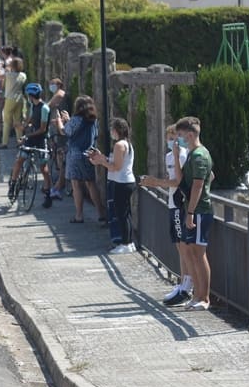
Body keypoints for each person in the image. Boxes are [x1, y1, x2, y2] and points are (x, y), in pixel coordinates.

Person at [139, 125, 191, 306]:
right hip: (172, 203)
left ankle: (187, 286)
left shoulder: (183, 155)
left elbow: (178, 181)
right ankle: (182, 282)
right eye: (168, 136)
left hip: (179, 203)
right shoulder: (169, 156)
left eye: (174, 136)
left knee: (184, 246)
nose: (171, 140)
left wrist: (155, 182)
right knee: (178, 245)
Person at [174, 116, 214, 311]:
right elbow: (210, 176)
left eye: (180, 136)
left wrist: (190, 212)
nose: (178, 139)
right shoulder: (194, 153)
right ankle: (197, 295)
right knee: (191, 252)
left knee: (199, 254)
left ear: (190, 135)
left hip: (199, 211)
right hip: (194, 209)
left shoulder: (199, 155)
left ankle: (204, 298)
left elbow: (198, 184)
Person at [90, 117, 137, 253]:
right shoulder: (125, 144)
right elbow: (114, 162)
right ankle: (128, 241)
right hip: (125, 181)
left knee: (121, 213)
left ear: (117, 130)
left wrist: (101, 162)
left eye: (112, 129)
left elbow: (116, 166)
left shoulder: (119, 145)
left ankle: (126, 243)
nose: (111, 131)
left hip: (122, 182)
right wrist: (101, 158)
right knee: (125, 213)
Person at [8, 83, 53, 208]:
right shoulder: (33, 105)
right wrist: (24, 126)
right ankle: (13, 184)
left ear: (31, 95)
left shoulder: (45, 108)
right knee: (19, 160)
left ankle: (48, 194)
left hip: (40, 139)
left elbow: (43, 129)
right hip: (31, 137)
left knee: (44, 169)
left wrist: (28, 136)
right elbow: (32, 119)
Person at [63, 95, 105, 224]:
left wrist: (63, 121)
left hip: (75, 155)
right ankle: (100, 213)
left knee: (76, 184)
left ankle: (79, 215)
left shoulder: (76, 119)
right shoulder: (93, 121)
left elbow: (66, 131)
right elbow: (95, 135)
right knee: (91, 183)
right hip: (89, 154)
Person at [0, 57, 27, 149]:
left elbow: (0, 80)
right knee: (18, 121)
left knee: (7, 121)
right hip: (19, 99)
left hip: (10, 98)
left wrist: (2, 67)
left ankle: (4, 143)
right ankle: (20, 142)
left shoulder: (8, 75)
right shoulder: (23, 75)